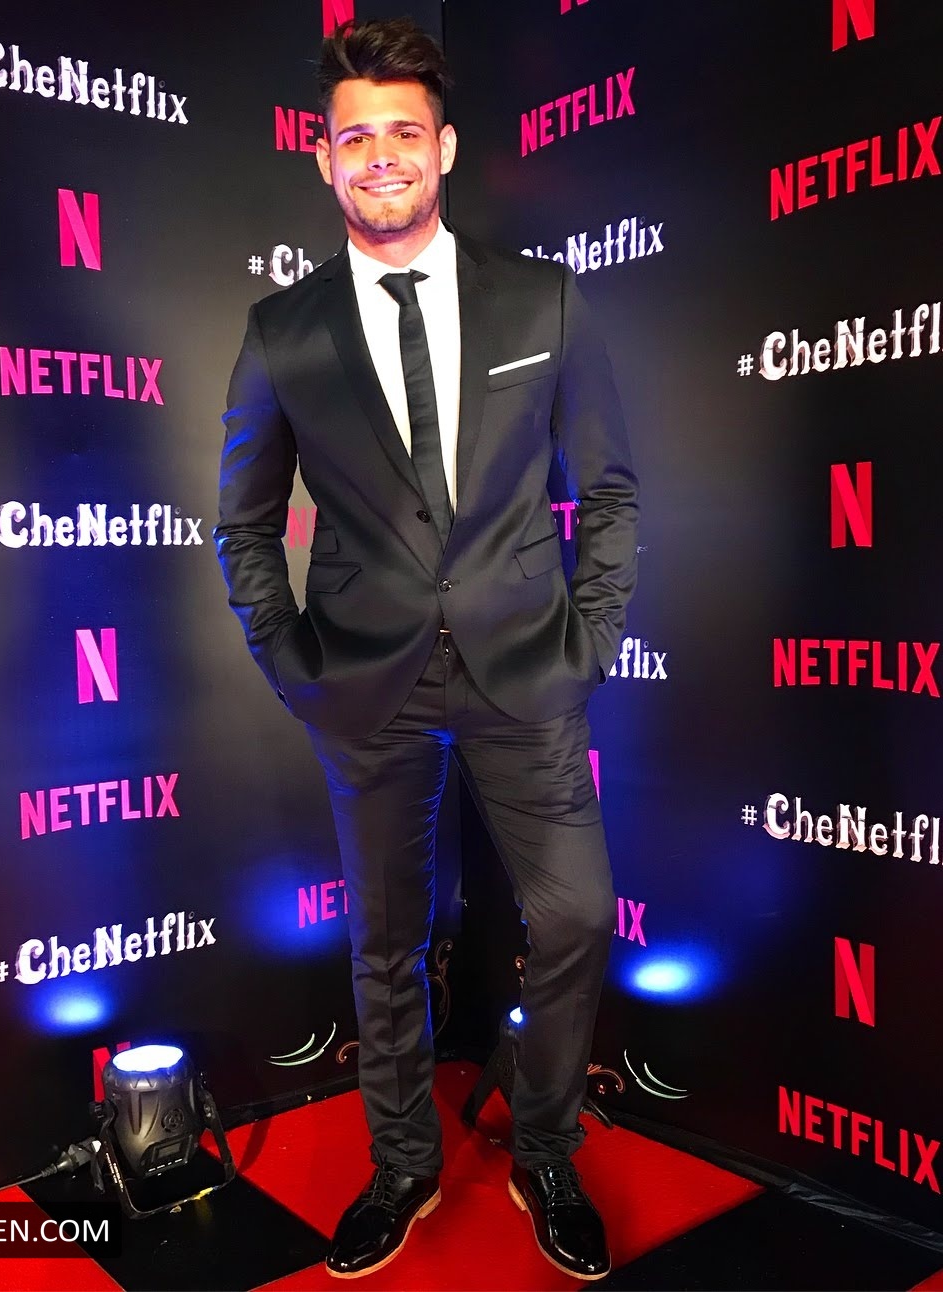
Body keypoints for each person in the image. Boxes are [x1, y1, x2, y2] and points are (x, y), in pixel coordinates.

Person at [214, 17, 638, 1282]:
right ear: (324, 159)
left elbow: (611, 491)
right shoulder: (283, 330)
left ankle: (546, 1148)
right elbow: (244, 523)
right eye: (356, 138)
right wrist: (294, 664)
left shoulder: (541, 298)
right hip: (365, 683)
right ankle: (401, 1163)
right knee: (386, 943)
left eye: (405, 131)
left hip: (529, 667)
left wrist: (588, 640)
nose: (382, 156)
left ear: (445, 147)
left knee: (577, 914)